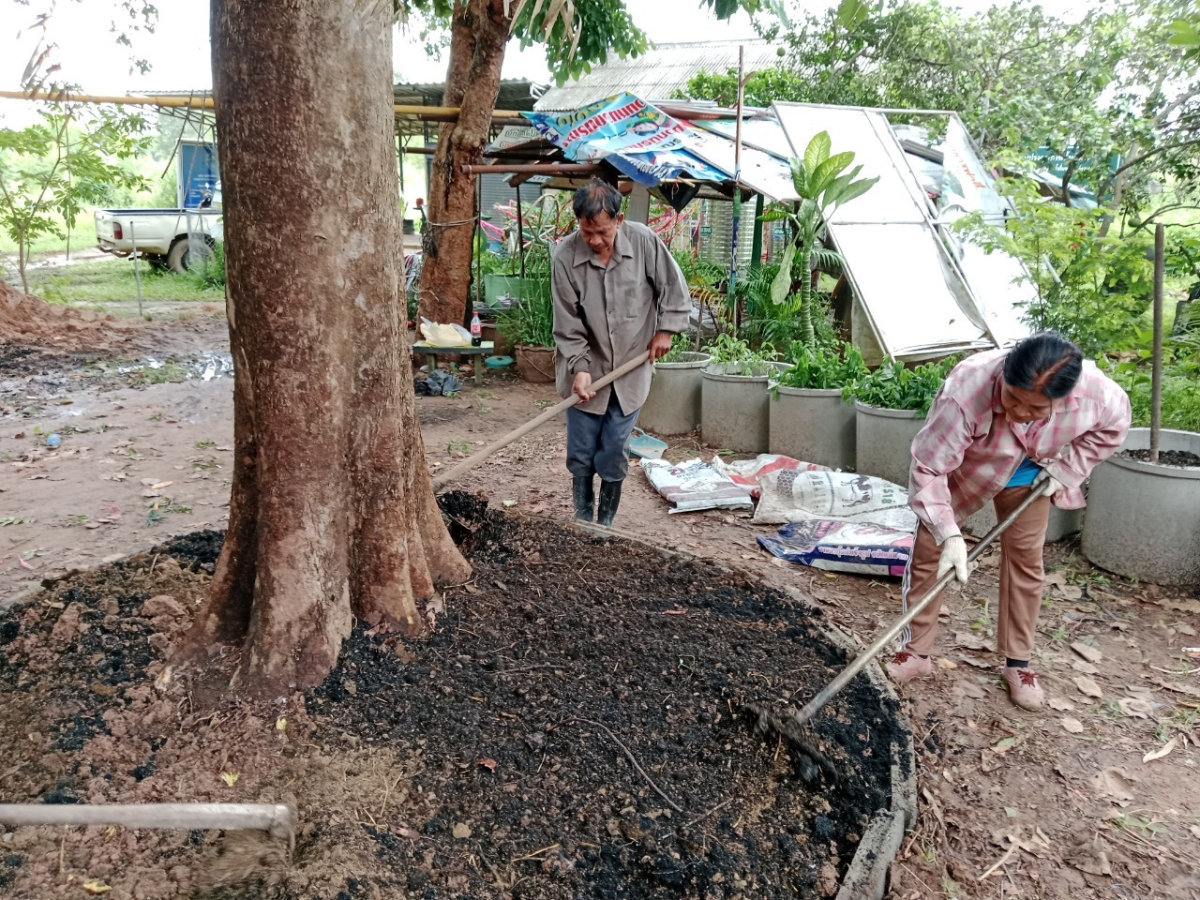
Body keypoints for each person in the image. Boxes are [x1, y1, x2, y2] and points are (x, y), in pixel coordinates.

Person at [887, 332, 1131, 710]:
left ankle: (1018, 664)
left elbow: (1115, 426)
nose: (1020, 411)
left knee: (1025, 561)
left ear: (1065, 398)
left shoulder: (1096, 395)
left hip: (1030, 476)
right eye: (1013, 398)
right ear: (1004, 375)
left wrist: (1069, 470)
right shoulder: (966, 390)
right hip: (967, 468)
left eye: (1036, 410)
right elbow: (928, 467)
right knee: (929, 553)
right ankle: (916, 652)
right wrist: (950, 534)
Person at [551, 179, 691, 527]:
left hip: (630, 370)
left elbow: (674, 289)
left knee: (614, 447)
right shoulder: (565, 258)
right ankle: (584, 518)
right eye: (587, 232)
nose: (595, 241)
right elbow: (567, 324)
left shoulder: (644, 242)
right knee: (581, 450)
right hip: (587, 369)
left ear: (619, 219)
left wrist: (667, 329)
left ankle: (606, 524)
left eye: (601, 231)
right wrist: (580, 367)